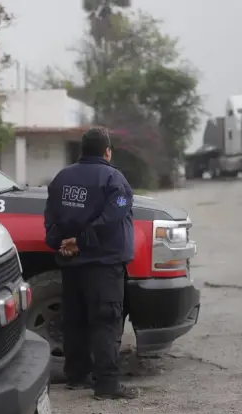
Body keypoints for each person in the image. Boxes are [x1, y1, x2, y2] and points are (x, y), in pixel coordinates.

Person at [44, 127, 139, 400]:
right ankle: (107, 384)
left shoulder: (62, 178)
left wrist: (60, 242)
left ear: (81, 150)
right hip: (103, 265)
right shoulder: (114, 179)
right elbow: (113, 217)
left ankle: (77, 376)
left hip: (71, 264)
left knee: (74, 321)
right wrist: (81, 241)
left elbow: (50, 216)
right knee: (105, 322)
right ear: (107, 151)